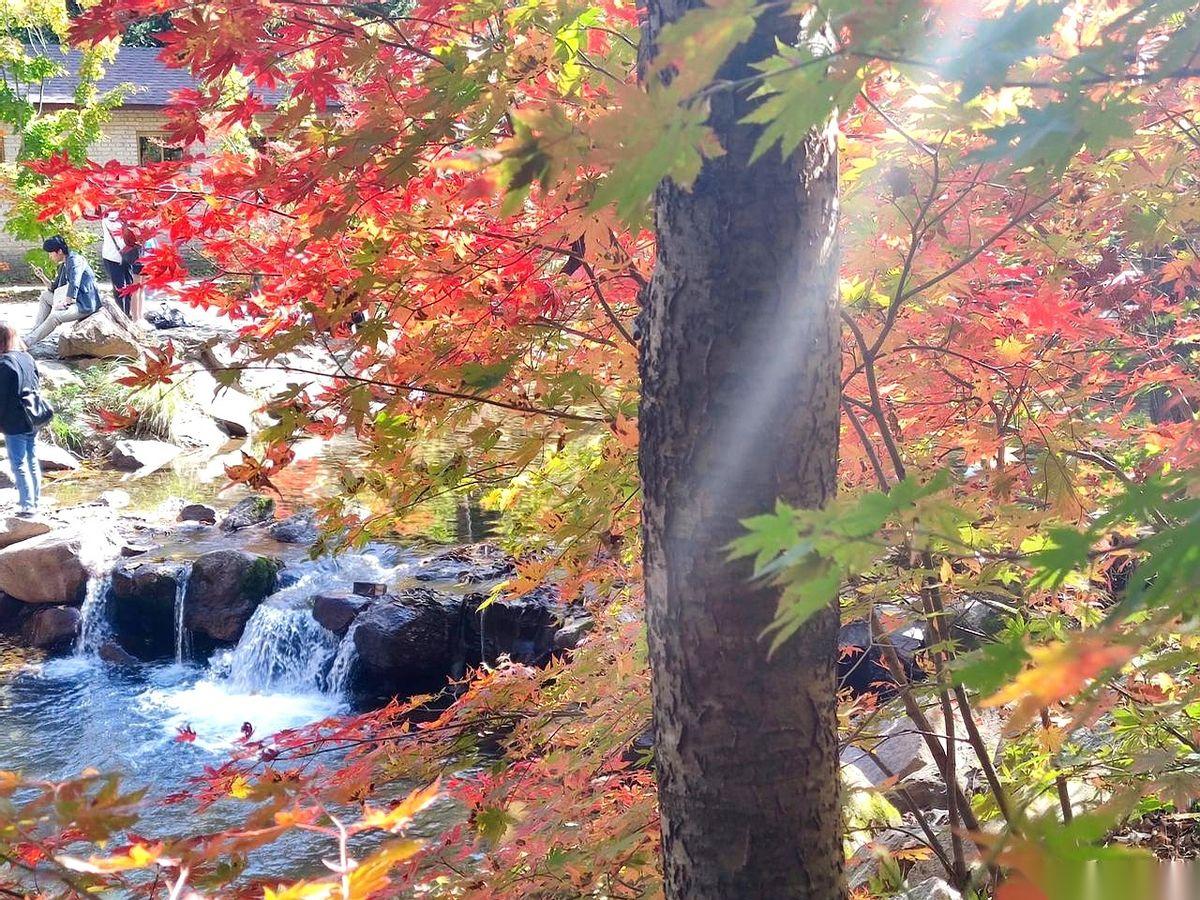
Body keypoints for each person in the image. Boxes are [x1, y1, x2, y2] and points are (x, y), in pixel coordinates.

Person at [26, 236, 102, 347]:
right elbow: (54, 287)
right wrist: (41, 276)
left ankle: (26, 343)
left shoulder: (75, 260)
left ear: (60, 251)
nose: (50, 256)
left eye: (51, 253)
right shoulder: (64, 264)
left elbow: (74, 282)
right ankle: (35, 331)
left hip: (83, 304)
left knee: (55, 317)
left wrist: (66, 302)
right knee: (45, 296)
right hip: (71, 301)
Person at [0, 325, 41, 515]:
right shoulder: (27, 358)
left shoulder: (5, 364)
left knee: (18, 463)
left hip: (15, 421)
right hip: (33, 416)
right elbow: (35, 384)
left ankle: (27, 506)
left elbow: (3, 397)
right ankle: (35, 501)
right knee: (31, 460)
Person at [100, 210, 134, 316]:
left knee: (127, 286)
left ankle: (126, 314)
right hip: (113, 256)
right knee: (120, 287)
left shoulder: (128, 216)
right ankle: (122, 314)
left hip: (125, 256)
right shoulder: (110, 219)